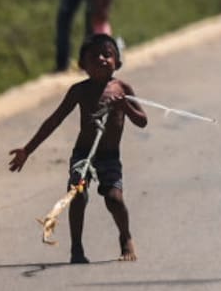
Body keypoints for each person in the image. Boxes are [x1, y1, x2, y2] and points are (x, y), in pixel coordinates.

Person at [9, 33, 148, 263]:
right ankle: (76, 248)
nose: (102, 59)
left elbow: (142, 121)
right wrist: (27, 150)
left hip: (110, 157)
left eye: (108, 54)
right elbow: (54, 120)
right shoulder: (79, 91)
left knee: (114, 199)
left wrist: (125, 106)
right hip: (83, 156)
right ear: (83, 66)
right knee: (78, 195)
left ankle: (125, 236)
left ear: (118, 62)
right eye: (95, 56)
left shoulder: (122, 88)